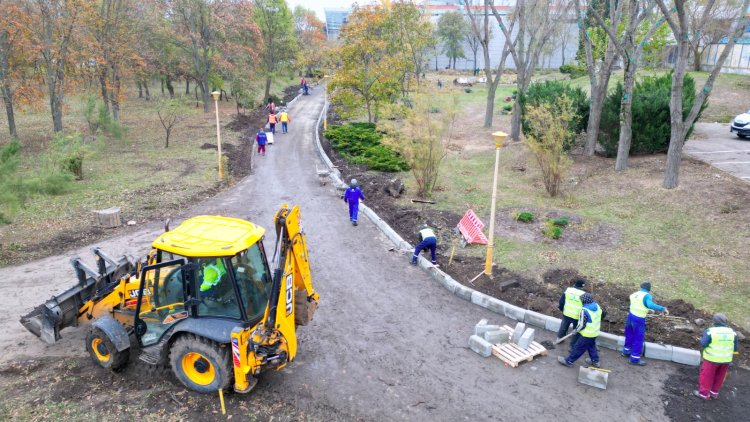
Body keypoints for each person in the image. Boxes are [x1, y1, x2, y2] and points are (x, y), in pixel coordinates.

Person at [622, 281, 669, 366]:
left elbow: (638, 304)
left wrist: (647, 309)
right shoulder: (647, 296)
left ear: (641, 287)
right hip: (638, 320)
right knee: (638, 339)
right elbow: (650, 304)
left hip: (630, 317)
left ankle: (626, 351)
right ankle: (634, 359)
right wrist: (662, 308)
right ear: (649, 289)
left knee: (629, 335)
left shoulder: (634, 294)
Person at [695, 313, 738, 400]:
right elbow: (735, 347)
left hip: (711, 359)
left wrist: (702, 340)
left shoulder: (710, 331)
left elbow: (703, 344)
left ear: (714, 322)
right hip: (726, 360)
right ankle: (714, 393)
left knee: (707, 376)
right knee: (719, 377)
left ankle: (703, 394)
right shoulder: (733, 333)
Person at [558, 293, 606, 368]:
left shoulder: (584, 310)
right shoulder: (597, 306)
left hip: (587, 334)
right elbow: (603, 314)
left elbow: (581, 325)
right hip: (595, 332)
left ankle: (569, 361)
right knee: (591, 346)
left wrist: (576, 330)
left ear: (583, 301)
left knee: (578, 347)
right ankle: (595, 361)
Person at [557, 278, 587, 349]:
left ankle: (559, 339)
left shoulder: (568, 290)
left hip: (567, 313)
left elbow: (561, 302)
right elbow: (586, 307)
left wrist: (562, 309)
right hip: (577, 316)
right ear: (582, 286)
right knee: (576, 331)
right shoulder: (584, 294)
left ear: (575, 284)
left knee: (563, 327)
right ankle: (572, 346)